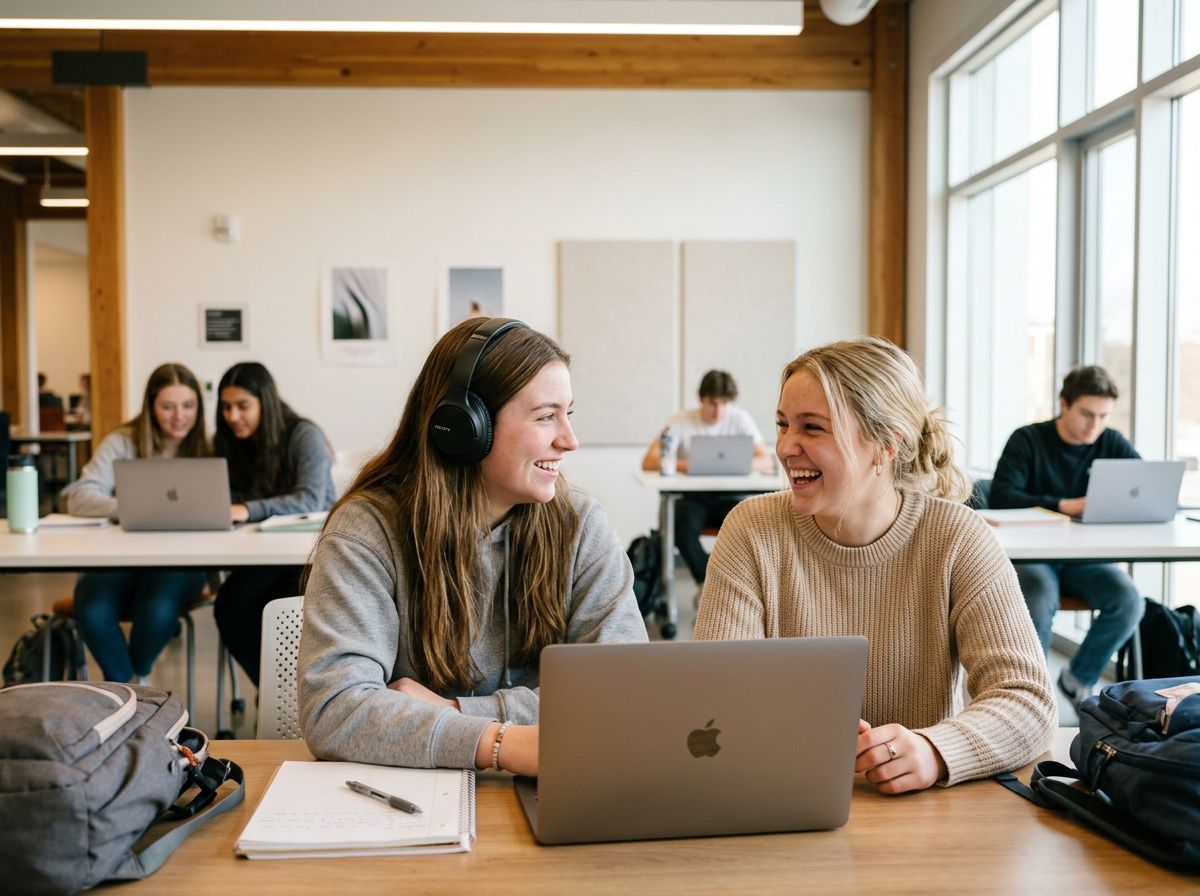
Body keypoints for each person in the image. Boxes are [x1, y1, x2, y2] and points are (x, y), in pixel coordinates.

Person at [694, 337, 1055, 793]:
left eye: (813, 428)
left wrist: (935, 751)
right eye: (783, 424)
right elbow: (714, 692)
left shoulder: (959, 538)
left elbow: (1030, 702)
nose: (785, 446)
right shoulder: (751, 529)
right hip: (782, 794)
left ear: (885, 444)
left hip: (920, 816)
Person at [299, 318, 646, 776]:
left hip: (549, 788)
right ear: (463, 428)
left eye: (568, 414)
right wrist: (502, 744)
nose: (569, 439)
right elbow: (335, 708)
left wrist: (460, 713)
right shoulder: (368, 531)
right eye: (546, 416)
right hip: (404, 797)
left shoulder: (581, 525)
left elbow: (624, 690)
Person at [989, 365, 1144, 708]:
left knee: (1128, 599)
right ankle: (1034, 695)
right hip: (1034, 558)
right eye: (1087, 414)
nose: (1095, 425)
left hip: (1084, 560)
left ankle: (1078, 679)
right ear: (1064, 405)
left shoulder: (1111, 441)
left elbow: (1142, 487)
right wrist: (1065, 505)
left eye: (1103, 416)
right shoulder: (1027, 440)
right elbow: (1001, 497)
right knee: (1040, 595)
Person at [61, 363, 211, 684]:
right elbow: (79, 496)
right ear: (151, 407)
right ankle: (130, 687)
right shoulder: (122, 442)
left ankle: (134, 681)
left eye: (188, 406)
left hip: (183, 561)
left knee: (157, 608)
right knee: (93, 609)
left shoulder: (209, 448)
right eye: (167, 406)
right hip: (120, 556)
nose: (178, 416)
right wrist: (130, 508)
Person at [212, 361, 335, 684]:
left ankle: (290, 692)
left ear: (265, 402)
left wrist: (245, 509)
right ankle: (272, 690)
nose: (232, 416)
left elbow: (310, 499)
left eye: (242, 406)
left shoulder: (303, 435)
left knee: (277, 607)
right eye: (226, 407)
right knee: (230, 606)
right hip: (259, 556)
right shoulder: (230, 442)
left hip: (307, 555)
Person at [640, 369, 773, 584]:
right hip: (692, 500)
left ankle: (731, 584)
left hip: (730, 498)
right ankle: (709, 583)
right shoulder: (681, 421)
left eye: (724, 403)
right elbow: (649, 460)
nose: (718, 411)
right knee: (680, 526)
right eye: (712, 403)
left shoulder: (740, 419)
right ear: (702, 399)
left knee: (751, 531)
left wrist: (733, 463)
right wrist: (688, 465)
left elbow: (765, 460)